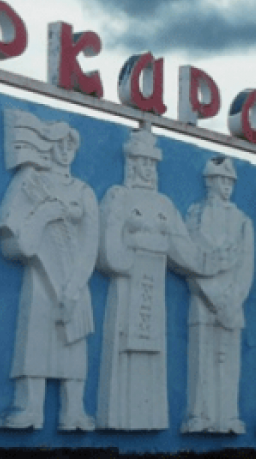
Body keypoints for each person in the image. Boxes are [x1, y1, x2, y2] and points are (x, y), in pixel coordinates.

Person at [97, 129, 226, 431]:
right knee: (124, 349)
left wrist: (216, 261)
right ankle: (119, 418)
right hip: (129, 287)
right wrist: (135, 249)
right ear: (131, 163)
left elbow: (185, 250)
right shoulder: (119, 197)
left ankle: (149, 417)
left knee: (153, 353)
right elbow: (109, 248)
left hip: (153, 291)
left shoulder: (165, 204)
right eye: (141, 162)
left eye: (151, 163)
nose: (147, 169)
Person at [0, 109, 98, 432]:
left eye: (70, 145)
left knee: (74, 348)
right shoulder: (30, 184)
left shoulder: (84, 191)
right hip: (42, 280)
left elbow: (91, 245)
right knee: (35, 344)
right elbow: (13, 245)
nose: (64, 151)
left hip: (75, 281)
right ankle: (30, 407)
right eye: (58, 143)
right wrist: (43, 215)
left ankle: (74, 410)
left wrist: (74, 287)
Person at [181, 156, 254, 435]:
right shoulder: (195, 214)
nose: (227, 185)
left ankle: (228, 416)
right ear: (210, 181)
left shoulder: (242, 220)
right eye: (221, 179)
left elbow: (246, 267)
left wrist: (232, 301)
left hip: (232, 304)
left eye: (230, 181)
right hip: (203, 300)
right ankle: (200, 415)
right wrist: (212, 297)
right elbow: (189, 257)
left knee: (229, 363)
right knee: (202, 362)